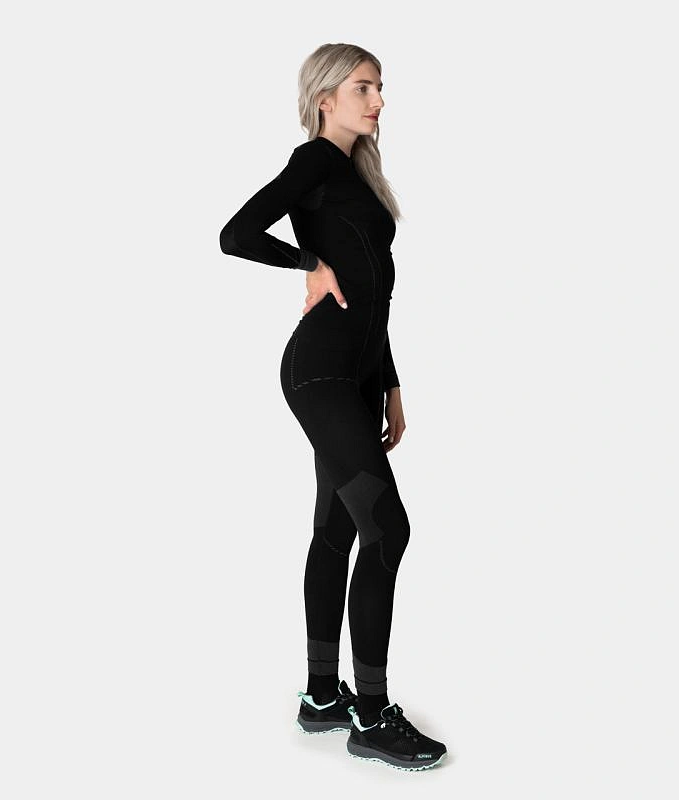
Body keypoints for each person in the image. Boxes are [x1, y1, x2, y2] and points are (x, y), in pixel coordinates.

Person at [219, 43, 447, 771]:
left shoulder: (354, 173)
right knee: (387, 528)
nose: (378, 101)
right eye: (363, 88)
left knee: (340, 530)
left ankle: (322, 698)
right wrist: (308, 264)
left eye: (380, 88)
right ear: (326, 98)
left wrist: (391, 382)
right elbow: (235, 234)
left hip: (357, 373)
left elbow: (374, 291)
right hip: (318, 371)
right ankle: (372, 716)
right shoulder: (314, 160)